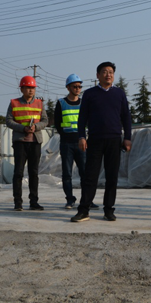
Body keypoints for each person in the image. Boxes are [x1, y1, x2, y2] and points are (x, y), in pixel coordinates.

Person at [71, 62, 132, 222]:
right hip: (95, 140)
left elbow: (126, 116)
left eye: (111, 72)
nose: (108, 75)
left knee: (112, 177)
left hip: (114, 140)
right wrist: (81, 136)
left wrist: (127, 138)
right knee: (90, 176)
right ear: (98, 75)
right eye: (104, 72)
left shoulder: (119, 93)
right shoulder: (90, 94)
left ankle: (109, 210)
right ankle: (84, 210)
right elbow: (82, 117)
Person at [5, 75, 49, 211]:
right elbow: (8, 121)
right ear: (22, 89)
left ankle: (34, 202)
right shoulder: (14, 103)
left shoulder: (40, 103)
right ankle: (18, 202)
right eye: (28, 88)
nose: (31, 90)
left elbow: (45, 120)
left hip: (35, 142)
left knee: (33, 173)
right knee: (18, 172)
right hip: (20, 142)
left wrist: (36, 127)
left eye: (33, 88)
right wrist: (22, 128)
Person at [54, 74, 86, 209]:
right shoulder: (61, 103)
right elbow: (57, 123)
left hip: (81, 142)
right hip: (67, 143)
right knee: (67, 173)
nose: (78, 89)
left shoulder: (84, 103)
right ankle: (70, 199)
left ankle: (86, 200)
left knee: (85, 173)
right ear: (68, 87)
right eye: (75, 86)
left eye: (79, 86)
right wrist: (65, 134)